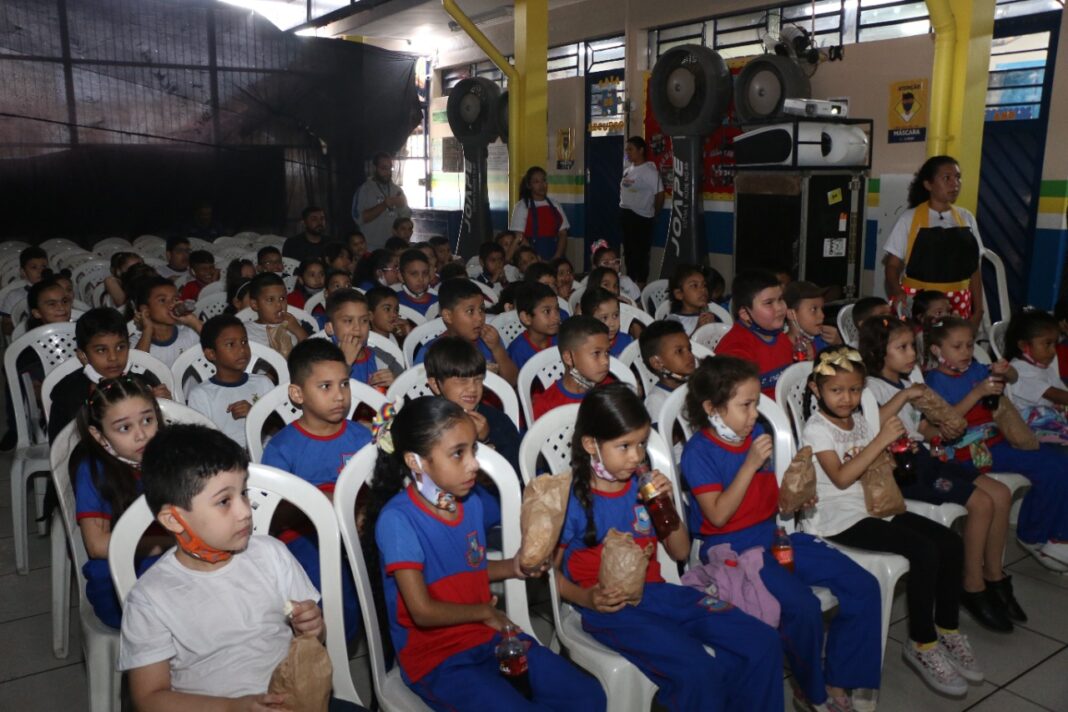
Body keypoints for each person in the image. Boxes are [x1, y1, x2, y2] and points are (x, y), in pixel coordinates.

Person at [362, 397, 604, 711]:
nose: (473, 463)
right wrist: (485, 613)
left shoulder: (471, 502)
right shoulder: (398, 520)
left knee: (588, 695)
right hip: (438, 658)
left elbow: (469, 565)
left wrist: (515, 566)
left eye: (473, 450)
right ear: (416, 461)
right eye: (458, 453)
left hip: (487, 636)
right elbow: (422, 611)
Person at [556, 383, 784, 711]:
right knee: (697, 670)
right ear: (591, 444)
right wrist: (585, 597)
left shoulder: (644, 488)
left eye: (641, 444)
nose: (636, 457)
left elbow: (679, 552)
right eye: (624, 446)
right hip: (611, 609)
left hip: (661, 594)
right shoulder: (571, 500)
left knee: (762, 640)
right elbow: (548, 573)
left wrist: (665, 506)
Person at [120, 424, 367, 712]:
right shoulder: (150, 598)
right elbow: (149, 698)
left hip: (298, 700)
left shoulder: (271, 554)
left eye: (244, 493)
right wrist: (232, 707)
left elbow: (313, 640)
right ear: (174, 520)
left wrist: (312, 627)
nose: (245, 511)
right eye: (224, 501)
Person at [681, 356, 881, 710]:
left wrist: (795, 496)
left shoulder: (755, 435)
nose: (754, 414)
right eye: (745, 405)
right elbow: (719, 515)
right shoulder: (699, 452)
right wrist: (750, 464)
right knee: (802, 607)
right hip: (734, 549)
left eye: (756, 403)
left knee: (863, 585)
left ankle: (839, 678)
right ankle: (811, 690)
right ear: (711, 409)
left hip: (773, 537)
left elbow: (766, 498)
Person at [801, 346, 979, 697]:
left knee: (950, 542)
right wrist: (880, 440)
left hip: (874, 504)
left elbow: (875, 465)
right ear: (815, 389)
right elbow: (841, 477)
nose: (847, 398)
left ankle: (947, 628)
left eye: (854, 389)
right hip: (839, 517)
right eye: (836, 390)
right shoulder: (816, 429)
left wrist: (895, 453)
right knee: (924, 550)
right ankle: (922, 643)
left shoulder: (858, 420)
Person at [859, 316, 1020, 631]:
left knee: (1000, 494)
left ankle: (994, 576)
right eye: (902, 348)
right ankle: (972, 585)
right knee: (981, 503)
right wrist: (905, 396)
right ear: (879, 352)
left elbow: (920, 427)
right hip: (900, 469)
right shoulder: (869, 387)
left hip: (924, 457)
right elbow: (871, 426)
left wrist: (942, 431)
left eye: (912, 347)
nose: (911, 354)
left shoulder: (908, 379)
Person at [924, 317, 1068, 572]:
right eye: (957, 347)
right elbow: (947, 422)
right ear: (937, 350)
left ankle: (1054, 533)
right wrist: (977, 393)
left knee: (1058, 462)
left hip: (996, 441)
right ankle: (1036, 535)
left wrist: (1004, 370)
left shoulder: (975, 369)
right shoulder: (934, 382)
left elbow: (1013, 377)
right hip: (965, 452)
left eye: (970, 345)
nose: (966, 352)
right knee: (1050, 466)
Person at [261, 339, 371, 641]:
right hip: (305, 535)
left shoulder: (361, 437)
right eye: (325, 387)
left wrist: (364, 512)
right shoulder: (283, 447)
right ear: (298, 394)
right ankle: (332, 649)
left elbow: (377, 488)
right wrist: (321, 504)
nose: (339, 395)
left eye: (344, 384)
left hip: (359, 527)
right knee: (330, 588)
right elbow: (273, 513)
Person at [72, 377, 168, 628]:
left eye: (147, 420)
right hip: (120, 583)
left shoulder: (169, 454)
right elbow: (96, 545)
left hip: (170, 565)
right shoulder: (93, 471)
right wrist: (172, 542)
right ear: (99, 435)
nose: (141, 435)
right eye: (124, 428)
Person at [883, 155, 984, 325]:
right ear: (928, 184)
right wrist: (898, 291)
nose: (955, 184)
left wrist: (979, 310)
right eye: (947, 178)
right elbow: (892, 266)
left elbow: (974, 268)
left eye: (958, 177)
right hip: (921, 303)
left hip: (959, 302)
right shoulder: (909, 218)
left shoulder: (966, 218)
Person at [49, 308, 169, 442]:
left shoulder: (145, 382)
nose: (113, 357)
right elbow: (60, 446)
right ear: (82, 355)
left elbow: (165, 437)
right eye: (101, 350)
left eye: (120, 347)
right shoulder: (67, 393)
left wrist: (164, 408)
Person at [425, 337, 521, 475]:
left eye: (478, 379)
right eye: (462, 380)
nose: (472, 388)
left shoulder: (497, 420)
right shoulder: (427, 424)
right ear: (435, 384)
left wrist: (485, 440)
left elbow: (515, 470)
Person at [185, 316, 274, 449]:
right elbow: (203, 442)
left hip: (266, 452)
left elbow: (279, 424)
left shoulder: (263, 382)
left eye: (244, 342)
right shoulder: (201, 394)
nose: (242, 349)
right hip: (226, 456)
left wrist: (255, 414)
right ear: (211, 354)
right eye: (230, 344)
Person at [414, 279, 518, 387]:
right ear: (448, 316)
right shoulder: (430, 352)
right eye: (470, 311)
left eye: (481, 309)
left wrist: (497, 349)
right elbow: (420, 392)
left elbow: (513, 381)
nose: (480, 318)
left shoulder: (490, 341)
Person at [714, 269, 792, 397]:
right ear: (745, 314)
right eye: (769, 303)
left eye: (780, 299)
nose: (780, 308)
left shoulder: (781, 337)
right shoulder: (735, 352)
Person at [1004, 309, 1068, 442]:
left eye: (1055, 344)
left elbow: (1062, 392)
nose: (1053, 351)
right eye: (1047, 344)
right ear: (1023, 345)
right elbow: (1054, 394)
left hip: (1050, 416)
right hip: (1028, 425)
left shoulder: (1042, 366)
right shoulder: (1019, 370)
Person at [532, 316, 612, 418]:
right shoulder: (546, 406)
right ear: (569, 358)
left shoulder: (611, 390)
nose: (605, 361)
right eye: (596, 353)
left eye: (607, 352)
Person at [324, 289, 397, 391]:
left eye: (364, 320)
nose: (357, 327)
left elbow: (409, 387)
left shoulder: (381, 358)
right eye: (348, 321)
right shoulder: (321, 361)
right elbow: (325, 394)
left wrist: (396, 385)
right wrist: (345, 363)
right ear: (330, 328)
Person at [618, 136, 664, 285]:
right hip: (626, 215)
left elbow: (659, 194)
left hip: (641, 217)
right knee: (629, 252)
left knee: (641, 254)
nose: (627, 152)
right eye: (627, 150)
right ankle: (630, 283)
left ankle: (641, 284)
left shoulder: (650, 171)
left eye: (630, 149)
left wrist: (655, 212)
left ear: (641, 150)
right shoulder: (628, 170)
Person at [131, 277, 202, 368]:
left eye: (175, 299)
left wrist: (193, 321)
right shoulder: (136, 341)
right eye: (162, 300)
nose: (171, 304)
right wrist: (147, 330)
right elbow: (136, 369)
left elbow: (216, 345)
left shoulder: (190, 332)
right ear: (145, 309)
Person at [639, 320, 696, 427]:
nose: (690, 355)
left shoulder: (694, 386)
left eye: (689, 349)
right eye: (679, 351)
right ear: (657, 363)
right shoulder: (656, 400)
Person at [510, 166, 569, 261]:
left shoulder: (555, 205)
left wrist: (557, 257)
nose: (542, 185)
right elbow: (519, 237)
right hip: (531, 259)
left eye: (544, 180)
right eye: (536, 182)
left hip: (556, 257)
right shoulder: (522, 206)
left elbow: (563, 234)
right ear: (529, 185)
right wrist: (536, 258)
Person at [355, 152, 412, 250]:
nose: (388, 172)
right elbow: (359, 218)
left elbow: (406, 217)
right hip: (371, 247)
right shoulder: (364, 189)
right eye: (384, 168)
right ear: (374, 168)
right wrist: (384, 205)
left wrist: (402, 205)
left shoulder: (397, 190)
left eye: (390, 168)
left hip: (393, 247)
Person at [245, 273, 308, 358]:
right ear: (255, 304)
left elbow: (311, 355)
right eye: (270, 300)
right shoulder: (246, 331)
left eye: (282, 298)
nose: (279, 305)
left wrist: (298, 330)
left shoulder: (295, 323)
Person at [506, 283, 561, 371]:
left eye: (557, 309)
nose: (556, 317)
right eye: (547, 311)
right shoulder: (517, 351)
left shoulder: (561, 340)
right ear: (526, 318)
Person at [1, 245, 49, 336]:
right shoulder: (14, 296)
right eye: (34, 267)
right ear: (23, 272)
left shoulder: (56, 292)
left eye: (44, 267)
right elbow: (6, 327)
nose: (40, 271)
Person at [785, 281, 839, 359]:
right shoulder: (780, 348)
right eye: (814, 309)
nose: (822, 315)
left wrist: (838, 344)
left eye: (822, 309)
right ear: (791, 314)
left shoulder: (823, 341)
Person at [581, 287, 631, 358]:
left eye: (615, 315)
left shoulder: (627, 342)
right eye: (604, 318)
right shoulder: (584, 348)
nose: (612, 324)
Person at [396, 248, 438, 316]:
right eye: (414, 274)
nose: (421, 279)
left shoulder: (438, 302)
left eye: (425, 273)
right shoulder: (394, 302)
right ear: (401, 276)